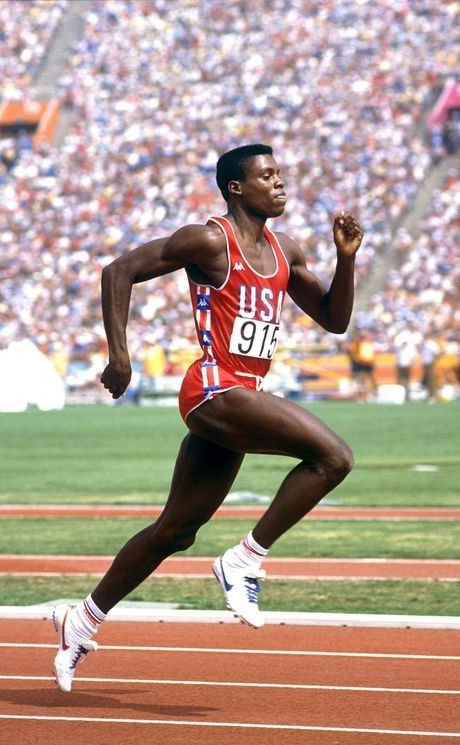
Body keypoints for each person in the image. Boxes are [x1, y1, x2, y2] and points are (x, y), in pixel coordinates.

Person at [52, 143, 364, 692]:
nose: (281, 183)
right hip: (214, 389)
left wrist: (347, 258)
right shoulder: (208, 239)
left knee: (174, 531)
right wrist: (120, 354)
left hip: (242, 396)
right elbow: (117, 271)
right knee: (334, 458)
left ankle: (82, 620)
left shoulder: (284, 250)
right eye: (267, 176)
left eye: (281, 174)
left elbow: (335, 320)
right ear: (237, 188)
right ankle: (245, 560)